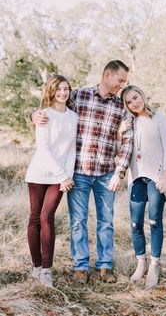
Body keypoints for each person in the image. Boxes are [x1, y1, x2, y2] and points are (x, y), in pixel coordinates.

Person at [31, 60, 134, 284]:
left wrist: (120, 172)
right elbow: (52, 103)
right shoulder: (79, 95)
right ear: (108, 75)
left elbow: (128, 140)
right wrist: (33, 113)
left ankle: (105, 266)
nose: (123, 85)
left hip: (107, 173)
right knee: (78, 220)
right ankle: (80, 266)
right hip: (79, 171)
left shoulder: (120, 106)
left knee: (106, 220)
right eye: (121, 80)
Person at [25, 75, 78, 287]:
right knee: (35, 218)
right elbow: (43, 150)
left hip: (60, 177)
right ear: (51, 91)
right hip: (39, 173)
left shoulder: (73, 117)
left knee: (48, 217)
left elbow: (72, 149)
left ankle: (47, 269)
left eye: (66, 89)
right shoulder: (44, 115)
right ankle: (36, 266)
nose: (63, 93)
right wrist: (62, 174)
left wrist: (68, 176)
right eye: (59, 89)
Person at [120, 85, 166, 288]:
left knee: (154, 221)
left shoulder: (159, 117)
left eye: (136, 97)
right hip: (136, 179)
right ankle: (140, 262)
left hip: (156, 177)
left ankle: (155, 265)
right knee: (135, 224)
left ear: (142, 94)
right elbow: (120, 150)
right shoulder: (129, 122)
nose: (134, 103)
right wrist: (120, 132)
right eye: (129, 102)